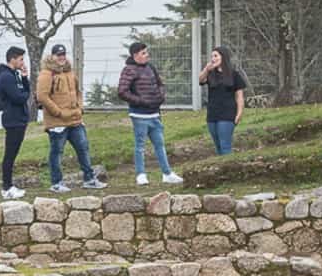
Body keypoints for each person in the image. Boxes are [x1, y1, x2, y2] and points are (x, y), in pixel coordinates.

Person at [35, 43, 106, 193]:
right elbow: (42, 96)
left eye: (63, 54)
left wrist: (80, 108)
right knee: (57, 152)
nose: (61, 57)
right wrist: (58, 112)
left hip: (75, 119)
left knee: (83, 148)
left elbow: (78, 91)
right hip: (57, 122)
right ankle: (56, 183)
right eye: (58, 55)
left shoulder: (70, 72)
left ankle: (89, 179)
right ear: (52, 56)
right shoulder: (46, 74)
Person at [117, 42, 184, 186]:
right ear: (135, 55)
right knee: (140, 146)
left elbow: (160, 84)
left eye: (146, 52)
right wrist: (140, 101)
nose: (147, 55)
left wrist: (161, 96)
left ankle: (167, 173)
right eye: (143, 53)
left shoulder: (150, 67)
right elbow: (122, 91)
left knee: (160, 144)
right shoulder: (129, 70)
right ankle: (141, 175)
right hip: (139, 115)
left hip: (155, 114)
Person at [0, 46, 31, 200]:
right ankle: (7, 187)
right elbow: (19, 97)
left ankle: (8, 185)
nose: (23, 62)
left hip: (19, 119)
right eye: (21, 59)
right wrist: (25, 93)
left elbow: (24, 92)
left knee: (12, 154)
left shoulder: (14, 75)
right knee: (9, 155)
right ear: (13, 59)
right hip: (13, 120)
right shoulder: (6, 77)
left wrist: (24, 77)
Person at [197, 45, 247, 155]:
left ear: (223, 57)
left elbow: (239, 97)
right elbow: (200, 80)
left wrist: (239, 114)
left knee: (225, 146)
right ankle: (221, 168)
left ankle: (230, 169)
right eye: (212, 56)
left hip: (227, 114)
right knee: (218, 146)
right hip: (212, 114)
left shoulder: (234, 75)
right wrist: (206, 68)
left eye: (216, 56)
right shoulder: (210, 74)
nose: (213, 59)